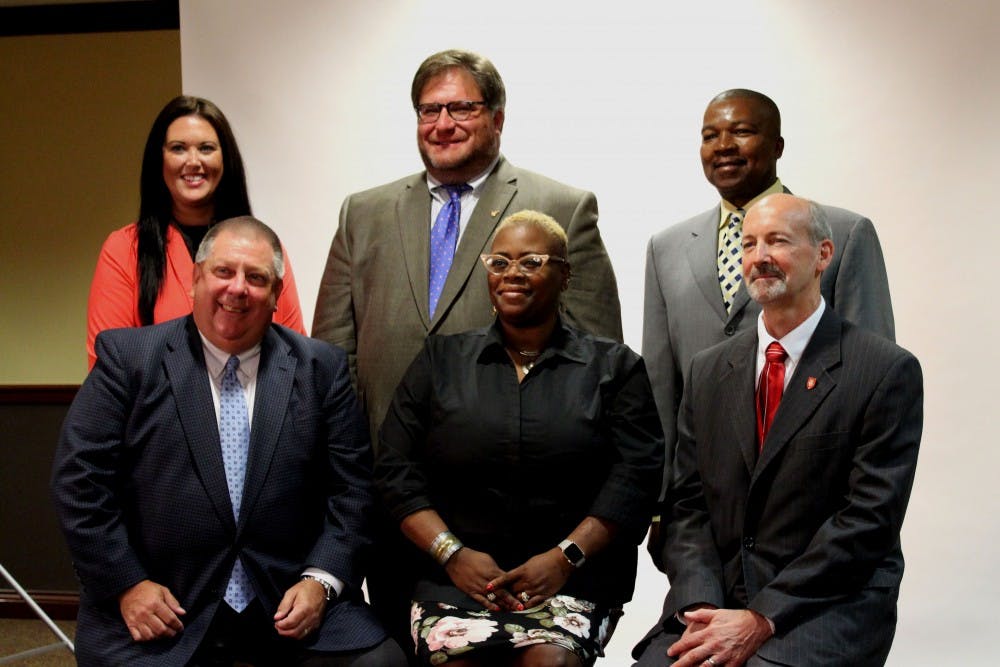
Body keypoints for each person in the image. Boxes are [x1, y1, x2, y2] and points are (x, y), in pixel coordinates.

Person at [53, 217, 405, 666]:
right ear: (196, 280)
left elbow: (352, 492)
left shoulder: (321, 368)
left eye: (256, 278)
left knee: (382, 663)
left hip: (289, 601)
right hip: (165, 605)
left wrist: (320, 581)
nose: (238, 289)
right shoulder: (129, 359)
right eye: (224, 272)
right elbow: (79, 484)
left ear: (276, 293)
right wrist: (127, 584)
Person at [633, 194, 922, 666]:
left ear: (823, 255)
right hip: (719, 596)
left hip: (826, 605)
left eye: (778, 241)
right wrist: (703, 602)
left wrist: (761, 617)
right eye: (748, 244)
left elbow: (868, 522)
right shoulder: (707, 372)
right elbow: (688, 505)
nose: (760, 257)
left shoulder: (884, 371)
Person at [375, 210, 662, 666]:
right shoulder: (440, 360)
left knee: (550, 662)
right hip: (455, 579)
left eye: (531, 261)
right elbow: (394, 470)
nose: (512, 273)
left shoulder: (614, 369)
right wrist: (453, 555)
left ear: (564, 275)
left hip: (572, 582)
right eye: (500, 262)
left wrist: (565, 558)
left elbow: (637, 477)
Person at [642, 88, 895, 556]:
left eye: (741, 131)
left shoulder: (843, 233)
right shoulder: (666, 247)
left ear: (777, 146)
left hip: (813, 506)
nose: (723, 145)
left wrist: (856, 503)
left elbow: (872, 381)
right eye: (710, 135)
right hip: (705, 509)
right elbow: (661, 384)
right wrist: (661, 506)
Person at [86, 95, 304, 369]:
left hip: (254, 409)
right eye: (178, 148)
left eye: (206, 148)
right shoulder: (124, 249)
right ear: (159, 159)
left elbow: (295, 358)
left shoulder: (264, 250)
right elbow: (107, 370)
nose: (193, 161)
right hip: (155, 410)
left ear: (225, 159)